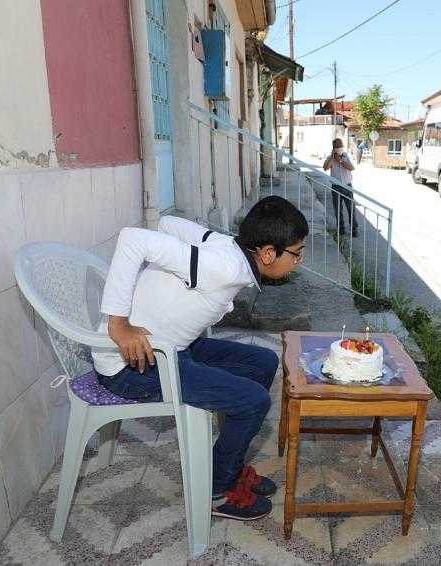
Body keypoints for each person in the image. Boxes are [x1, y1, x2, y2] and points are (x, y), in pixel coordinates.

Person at [92, 196, 309, 522]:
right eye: (295, 253)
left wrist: (192, 244)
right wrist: (118, 324)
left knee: (263, 362)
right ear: (266, 253)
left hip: (170, 349)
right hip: (132, 366)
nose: (298, 261)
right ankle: (218, 491)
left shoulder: (225, 245)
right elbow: (132, 239)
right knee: (253, 401)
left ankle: (229, 465)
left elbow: (167, 224)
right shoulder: (221, 266)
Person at [323, 138, 358, 237]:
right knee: (338, 209)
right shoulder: (330, 157)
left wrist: (341, 161)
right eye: (336, 146)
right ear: (333, 148)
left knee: (351, 208)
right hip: (336, 187)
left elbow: (351, 168)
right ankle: (341, 229)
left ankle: (354, 229)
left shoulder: (346, 156)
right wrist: (333, 158)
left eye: (340, 146)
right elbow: (325, 167)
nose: (339, 148)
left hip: (347, 186)